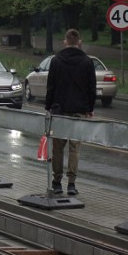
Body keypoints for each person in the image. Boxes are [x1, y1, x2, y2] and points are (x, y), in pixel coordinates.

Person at [44, 29, 96, 196]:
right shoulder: (87, 62)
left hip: (59, 110)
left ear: (65, 41)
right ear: (79, 42)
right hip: (79, 110)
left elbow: (50, 86)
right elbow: (91, 87)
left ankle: (57, 182)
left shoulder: (56, 60)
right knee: (75, 149)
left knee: (57, 149)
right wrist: (90, 108)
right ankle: (71, 184)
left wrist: (48, 106)